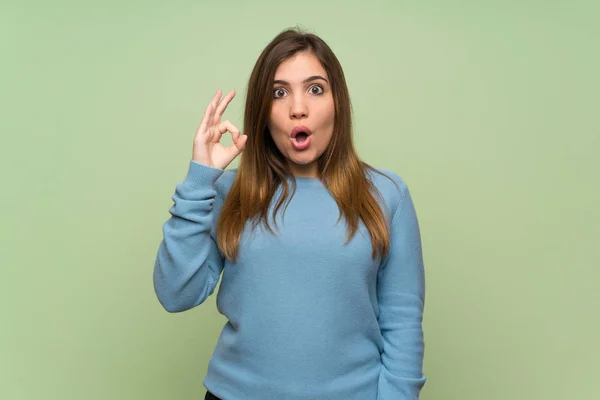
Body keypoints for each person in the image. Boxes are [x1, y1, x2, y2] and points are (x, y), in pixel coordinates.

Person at [153, 27, 427, 400]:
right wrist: (200, 178)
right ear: (262, 113)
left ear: (338, 102)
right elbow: (175, 294)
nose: (298, 107)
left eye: (315, 89)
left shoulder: (386, 195)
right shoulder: (227, 192)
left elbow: (403, 320)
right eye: (278, 93)